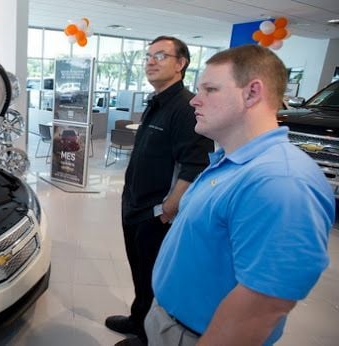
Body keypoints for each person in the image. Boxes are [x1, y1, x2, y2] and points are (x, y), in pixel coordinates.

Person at [146, 44, 335, 346]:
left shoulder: (280, 182)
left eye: (209, 89)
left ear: (252, 93)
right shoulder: (231, 160)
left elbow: (263, 306)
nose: (195, 100)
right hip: (170, 322)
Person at [106, 36, 213, 344]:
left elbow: (195, 164)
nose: (151, 61)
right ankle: (138, 319)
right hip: (135, 206)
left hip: (156, 214)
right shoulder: (156, 102)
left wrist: (169, 209)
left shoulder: (185, 107)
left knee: (155, 277)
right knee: (139, 270)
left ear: (181, 64)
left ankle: (148, 336)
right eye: (148, 56)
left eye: (161, 56)